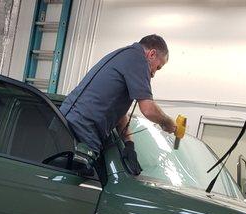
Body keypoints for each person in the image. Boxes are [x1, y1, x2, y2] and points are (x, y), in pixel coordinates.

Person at [59, 34, 176, 174]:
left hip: (66, 127)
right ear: (152, 54)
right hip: (79, 135)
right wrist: (168, 122)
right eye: (158, 67)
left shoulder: (125, 55)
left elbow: (119, 113)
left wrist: (129, 144)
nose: (153, 74)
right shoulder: (138, 60)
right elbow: (148, 109)